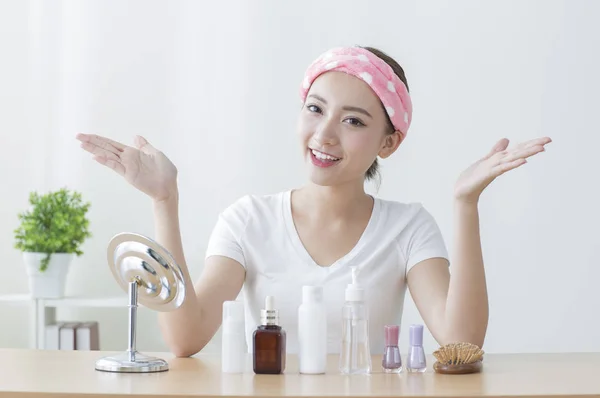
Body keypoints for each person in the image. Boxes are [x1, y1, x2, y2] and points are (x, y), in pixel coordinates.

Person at [76, 46, 551, 357]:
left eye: (355, 121)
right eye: (315, 109)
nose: (324, 134)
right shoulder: (249, 220)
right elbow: (185, 338)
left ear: (388, 143)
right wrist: (165, 200)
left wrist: (465, 205)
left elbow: (462, 341)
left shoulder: (409, 229)